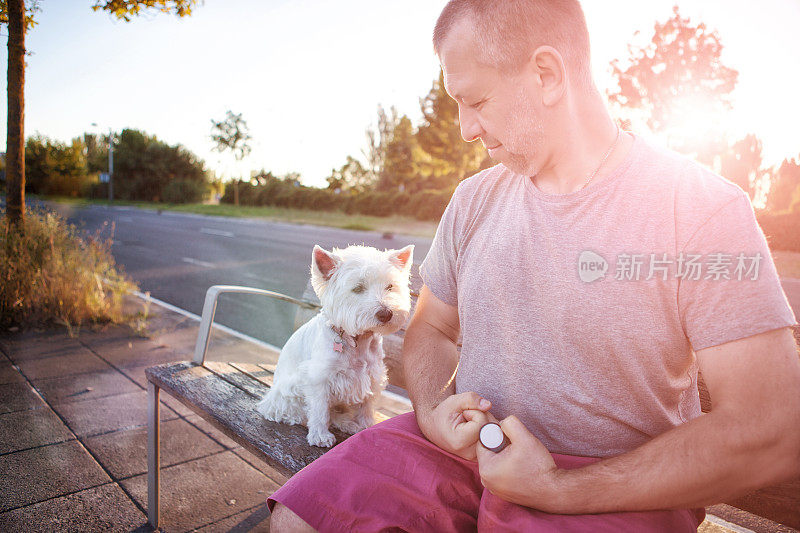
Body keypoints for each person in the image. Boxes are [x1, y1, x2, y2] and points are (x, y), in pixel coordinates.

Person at [269, 1, 800, 530]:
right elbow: (431, 325)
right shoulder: (473, 199)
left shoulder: (702, 208)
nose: (465, 130)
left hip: (614, 488)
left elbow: (771, 429)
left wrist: (555, 488)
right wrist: (432, 412)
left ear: (546, 74)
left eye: (475, 100)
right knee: (298, 522)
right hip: (462, 455)